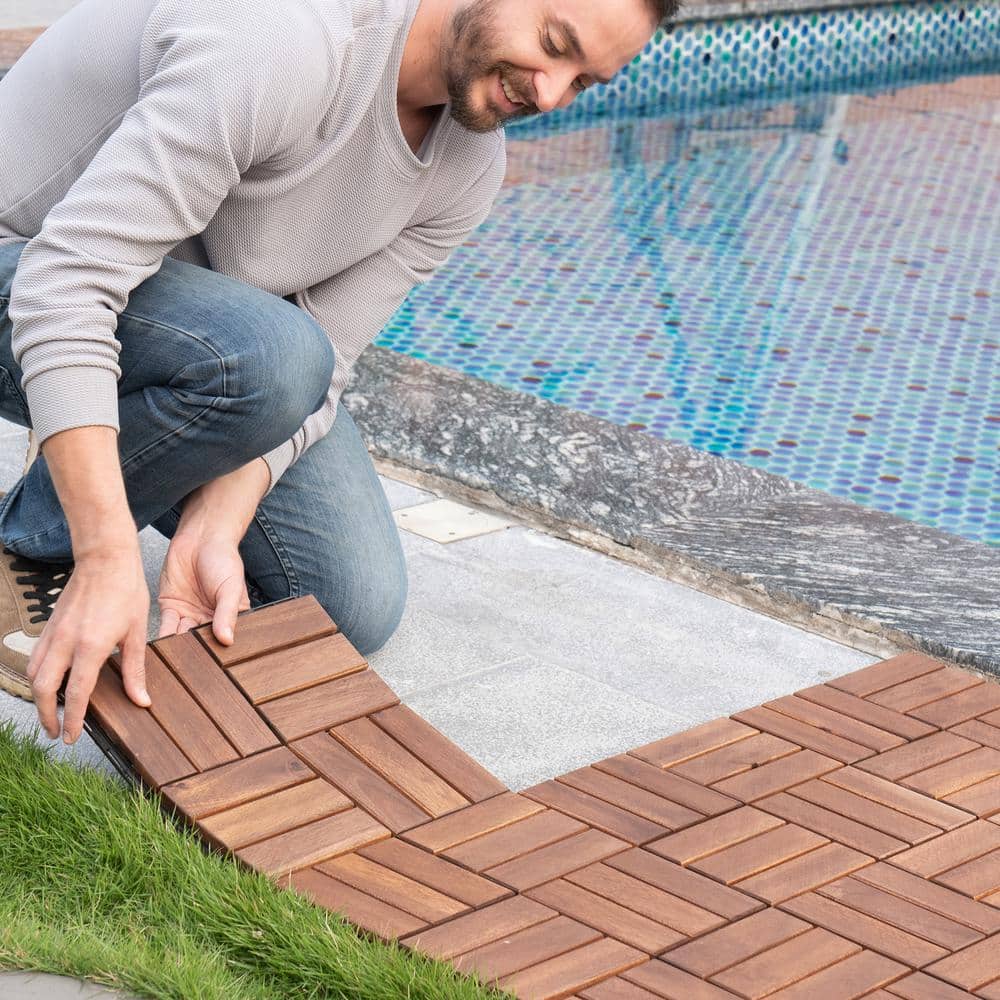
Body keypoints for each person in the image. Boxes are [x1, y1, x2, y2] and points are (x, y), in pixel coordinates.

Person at [0, 0, 674, 746]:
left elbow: (328, 355)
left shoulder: (468, 167)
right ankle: (35, 538)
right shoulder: (284, 39)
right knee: (270, 356)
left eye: (582, 82)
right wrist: (106, 553)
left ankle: (73, 480)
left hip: (185, 330)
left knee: (347, 601)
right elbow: (66, 285)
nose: (548, 94)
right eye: (553, 44)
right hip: (30, 265)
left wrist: (215, 525)